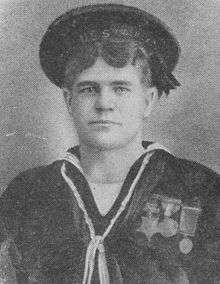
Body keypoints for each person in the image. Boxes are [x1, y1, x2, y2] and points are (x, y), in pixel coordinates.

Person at [0, 3, 219, 284]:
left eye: (120, 88)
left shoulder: (203, 189)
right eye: (89, 89)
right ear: (69, 101)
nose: (104, 104)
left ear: (148, 100)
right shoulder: (28, 193)